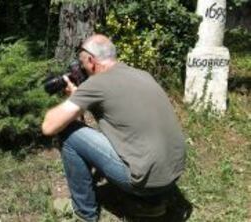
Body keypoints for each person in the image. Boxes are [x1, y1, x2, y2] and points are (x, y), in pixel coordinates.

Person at [41, 34, 186, 222]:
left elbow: (49, 126)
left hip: (144, 181)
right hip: (173, 174)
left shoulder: (96, 84)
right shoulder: (142, 74)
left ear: (91, 61)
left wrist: (74, 97)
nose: (81, 68)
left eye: (81, 63)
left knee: (68, 133)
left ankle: (84, 213)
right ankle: (151, 204)